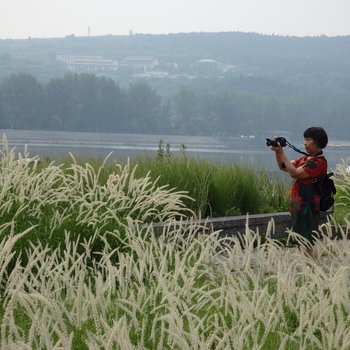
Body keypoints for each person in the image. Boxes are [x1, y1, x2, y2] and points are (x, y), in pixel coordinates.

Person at [271, 127, 328, 258]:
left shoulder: (318, 162)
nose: (305, 143)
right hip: (299, 206)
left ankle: (311, 267)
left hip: (308, 207)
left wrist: (282, 151)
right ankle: (307, 266)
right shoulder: (305, 159)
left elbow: (294, 173)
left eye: (308, 139)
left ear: (318, 142)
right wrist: (278, 152)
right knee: (299, 240)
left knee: (306, 240)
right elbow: (284, 166)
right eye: (304, 139)